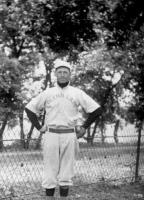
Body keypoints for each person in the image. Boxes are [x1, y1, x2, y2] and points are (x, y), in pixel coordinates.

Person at [25, 60, 102, 199]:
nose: (62, 75)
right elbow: (30, 108)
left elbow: (96, 109)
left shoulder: (77, 92)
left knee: (66, 172)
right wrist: (38, 126)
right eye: (59, 72)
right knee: (50, 170)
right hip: (51, 134)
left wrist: (84, 127)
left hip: (69, 135)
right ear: (55, 74)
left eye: (65, 72)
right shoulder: (48, 92)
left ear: (69, 74)